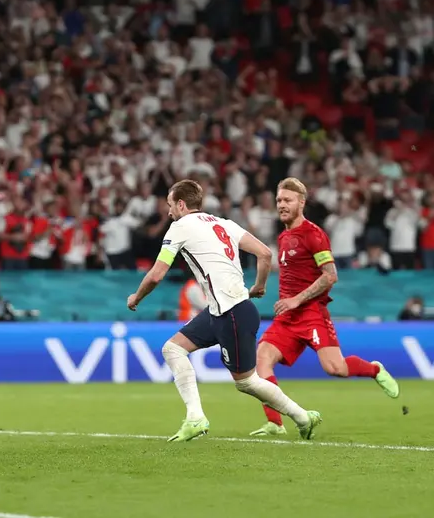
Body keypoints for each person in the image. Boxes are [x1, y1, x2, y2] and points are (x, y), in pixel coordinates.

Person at [126, 179, 322, 442]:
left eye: (171, 205)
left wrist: (136, 297)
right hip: (226, 309)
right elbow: (264, 253)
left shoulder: (179, 227)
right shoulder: (223, 223)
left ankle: (302, 417)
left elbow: (156, 275)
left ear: (181, 204)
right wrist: (259, 287)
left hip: (231, 313)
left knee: (246, 382)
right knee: (172, 349)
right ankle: (195, 418)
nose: (169, 211)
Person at [250, 178, 399, 437]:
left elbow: (330, 275)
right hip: (287, 318)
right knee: (262, 359)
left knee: (335, 369)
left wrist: (297, 299)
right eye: (279, 200)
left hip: (311, 313)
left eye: (288, 200)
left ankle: (374, 369)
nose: (282, 205)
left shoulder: (313, 234)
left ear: (301, 203)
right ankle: (275, 423)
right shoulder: (284, 236)